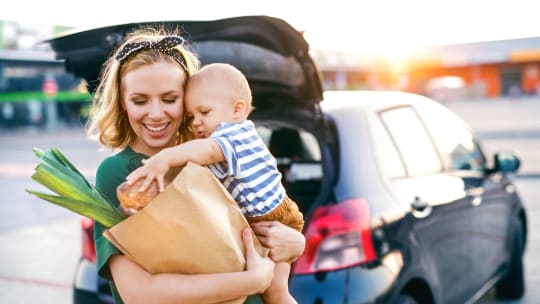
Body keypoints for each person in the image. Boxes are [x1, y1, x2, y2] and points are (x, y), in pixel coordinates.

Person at [88, 27, 305, 304]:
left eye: (170, 99)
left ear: (189, 100)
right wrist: (251, 281)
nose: (156, 114)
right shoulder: (121, 173)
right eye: (140, 100)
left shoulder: (209, 160)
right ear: (122, 104)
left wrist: (297, 243)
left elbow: (251, 226)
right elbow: (138, 294)